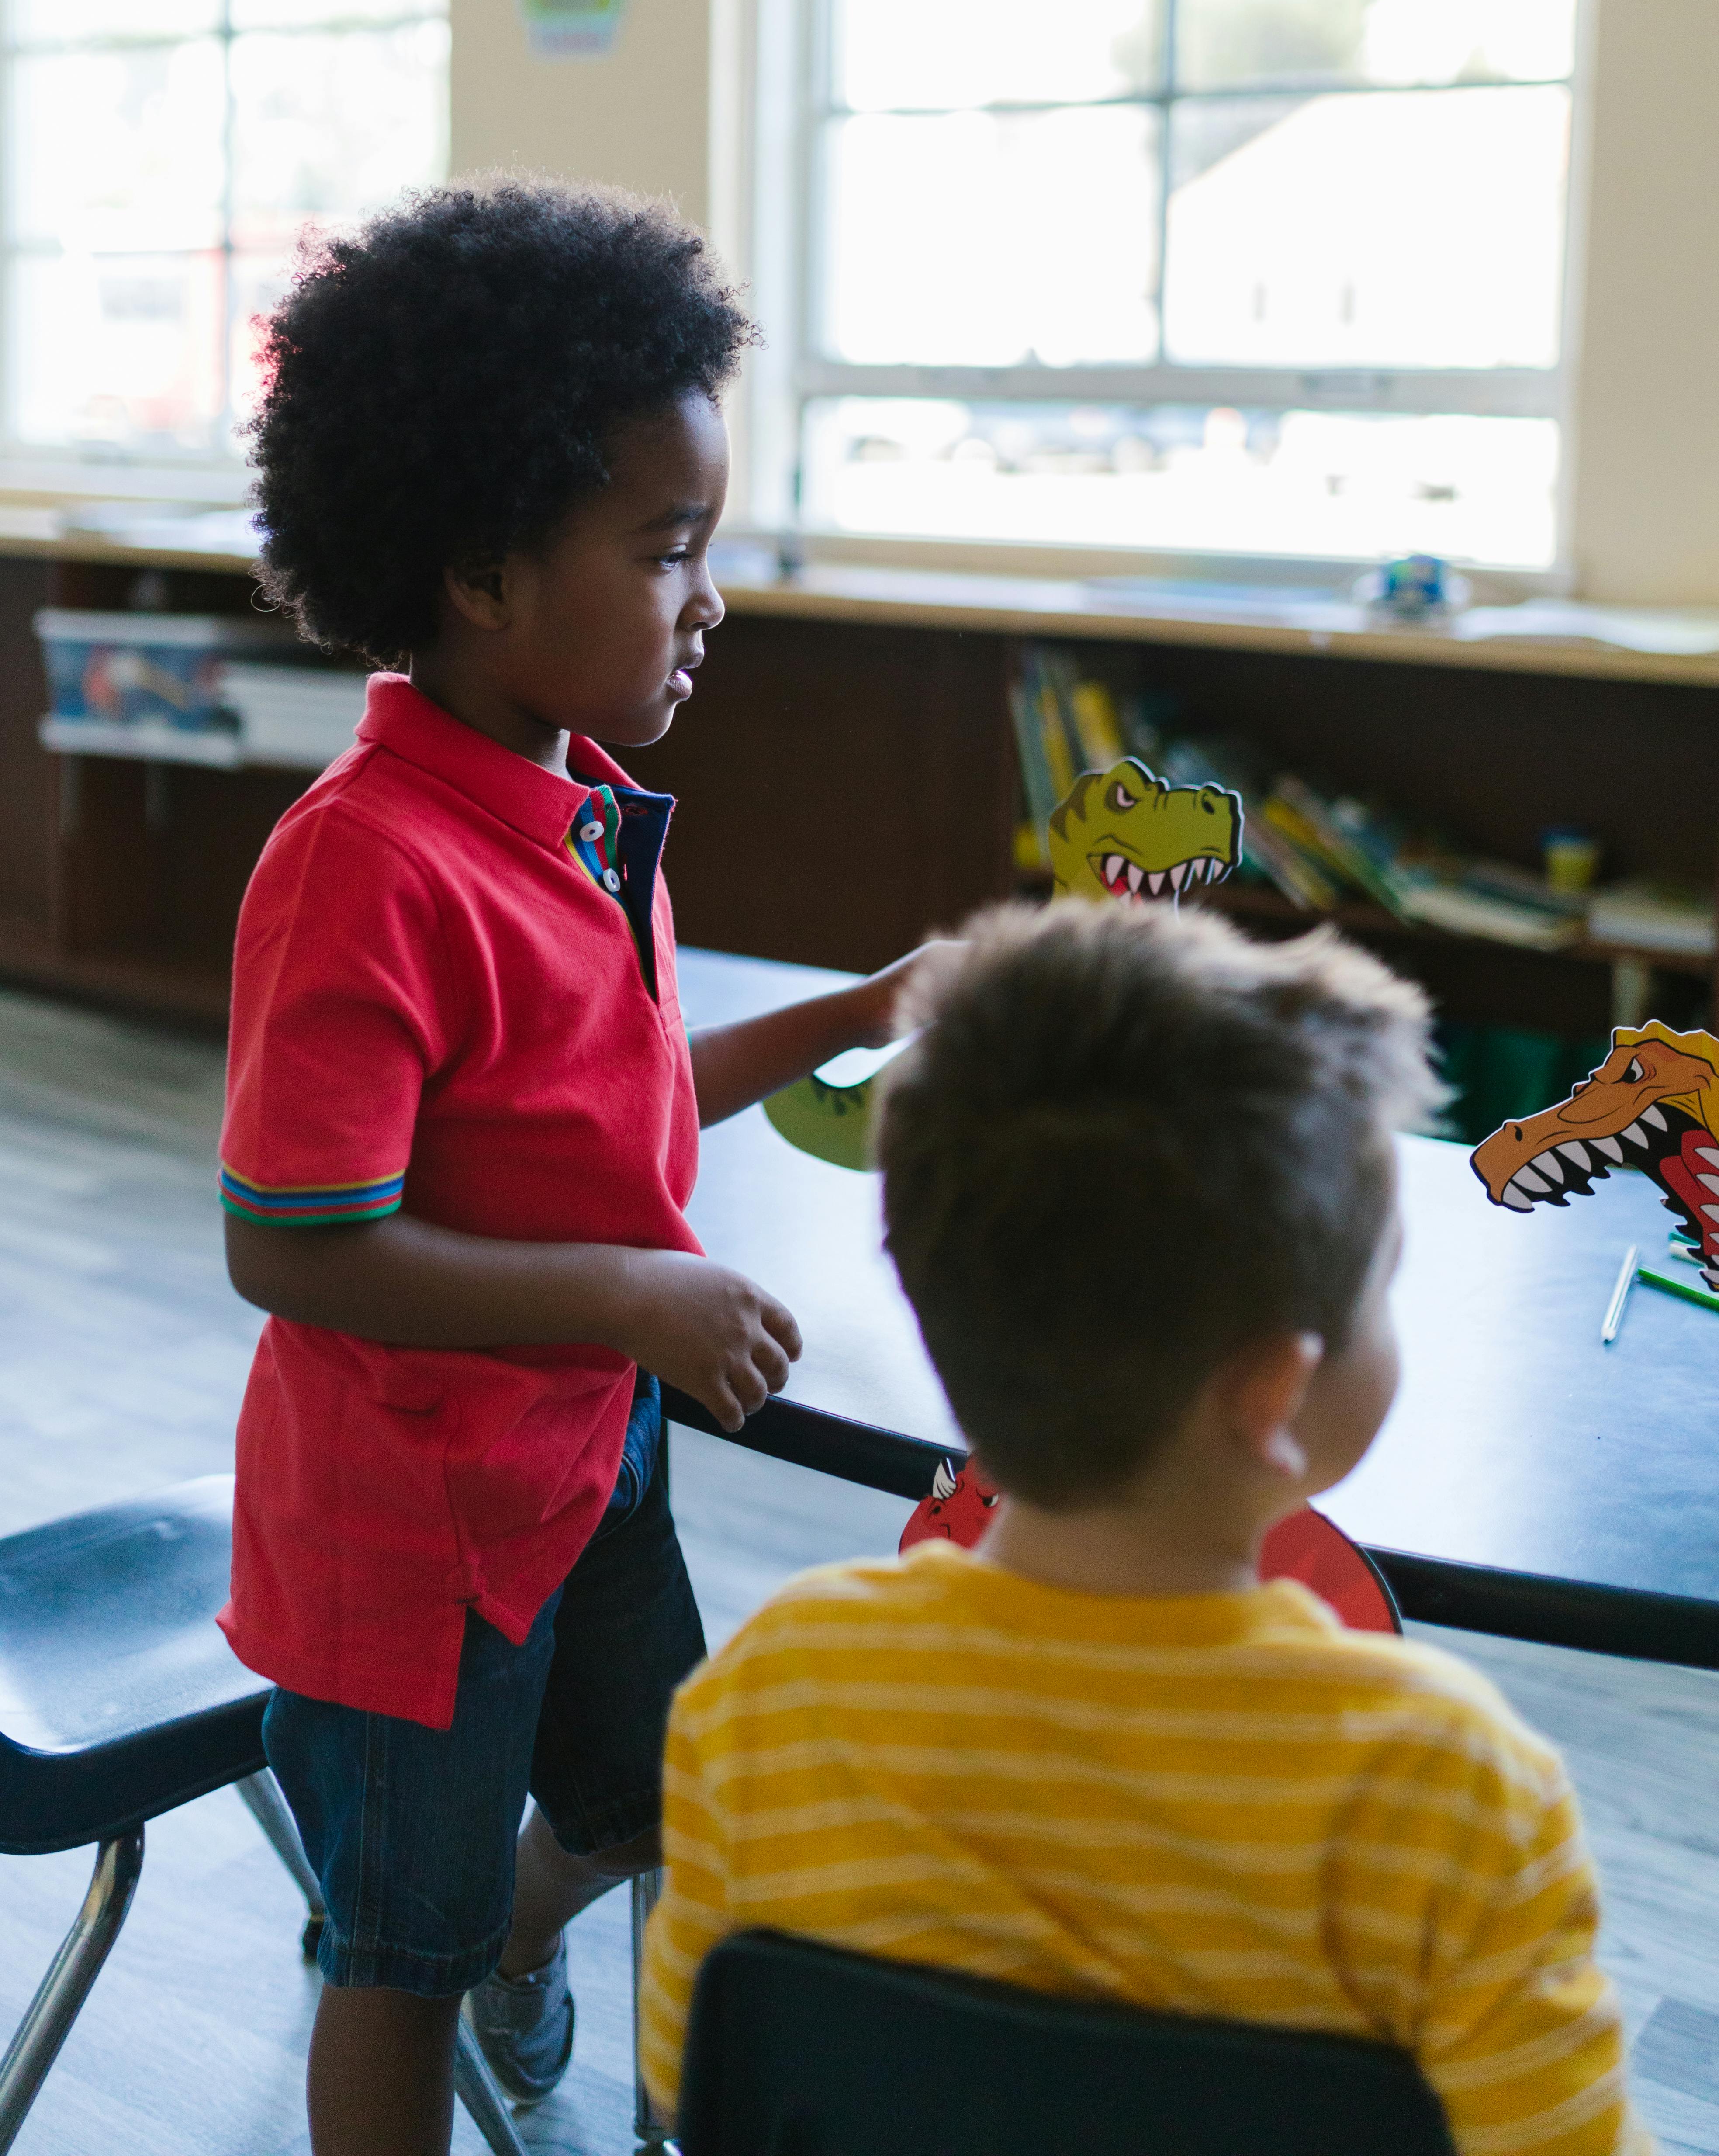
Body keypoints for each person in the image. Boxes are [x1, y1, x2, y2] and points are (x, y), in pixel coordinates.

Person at [218, 177, 948, 2156]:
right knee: (390, 1954)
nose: (711, 597)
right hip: (409, 1532)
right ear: (481, 571)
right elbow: (299, 1245)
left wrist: (856, 1006)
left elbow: (599, 1114)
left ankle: (505, 1944)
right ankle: (457, 1962)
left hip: (580, 1464)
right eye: (669, 548)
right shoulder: (364, 864)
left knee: (656, 1798)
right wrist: (643, 1295)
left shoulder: (583, 803)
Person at [640, 903, 1648, 2156]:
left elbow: (696, 2081)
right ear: (1276, 1400)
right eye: (1385, 1283)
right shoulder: (1453, 1799)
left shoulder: (767, 1700)